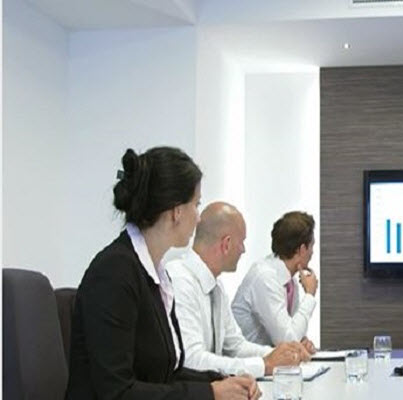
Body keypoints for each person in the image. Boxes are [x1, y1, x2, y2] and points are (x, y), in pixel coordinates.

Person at [66, 147, 260, 400]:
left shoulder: (153, 273)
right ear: (176, 211)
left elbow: (165, 373)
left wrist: (223, 381)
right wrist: (210, 393)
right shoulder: (114, 273)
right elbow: (117, 392)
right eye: (196, 204)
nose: (198, 218)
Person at [167, 202, 311, 378]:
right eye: (241, 242)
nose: (243, 250)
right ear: (226, 244)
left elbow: (235, 347)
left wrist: (284, 353)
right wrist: (264, 365)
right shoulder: (180, 280)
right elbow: (192, 360)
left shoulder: (216, 287)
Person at [232, 211, 319, 349]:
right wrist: (309, 295)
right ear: (302, 249)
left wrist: (304, 341)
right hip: (246, 360)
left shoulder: (290, 281)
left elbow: (292, 331)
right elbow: (287, 340)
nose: (312, 252)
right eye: (312, 246)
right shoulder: (265, 277)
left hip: (269, 358)